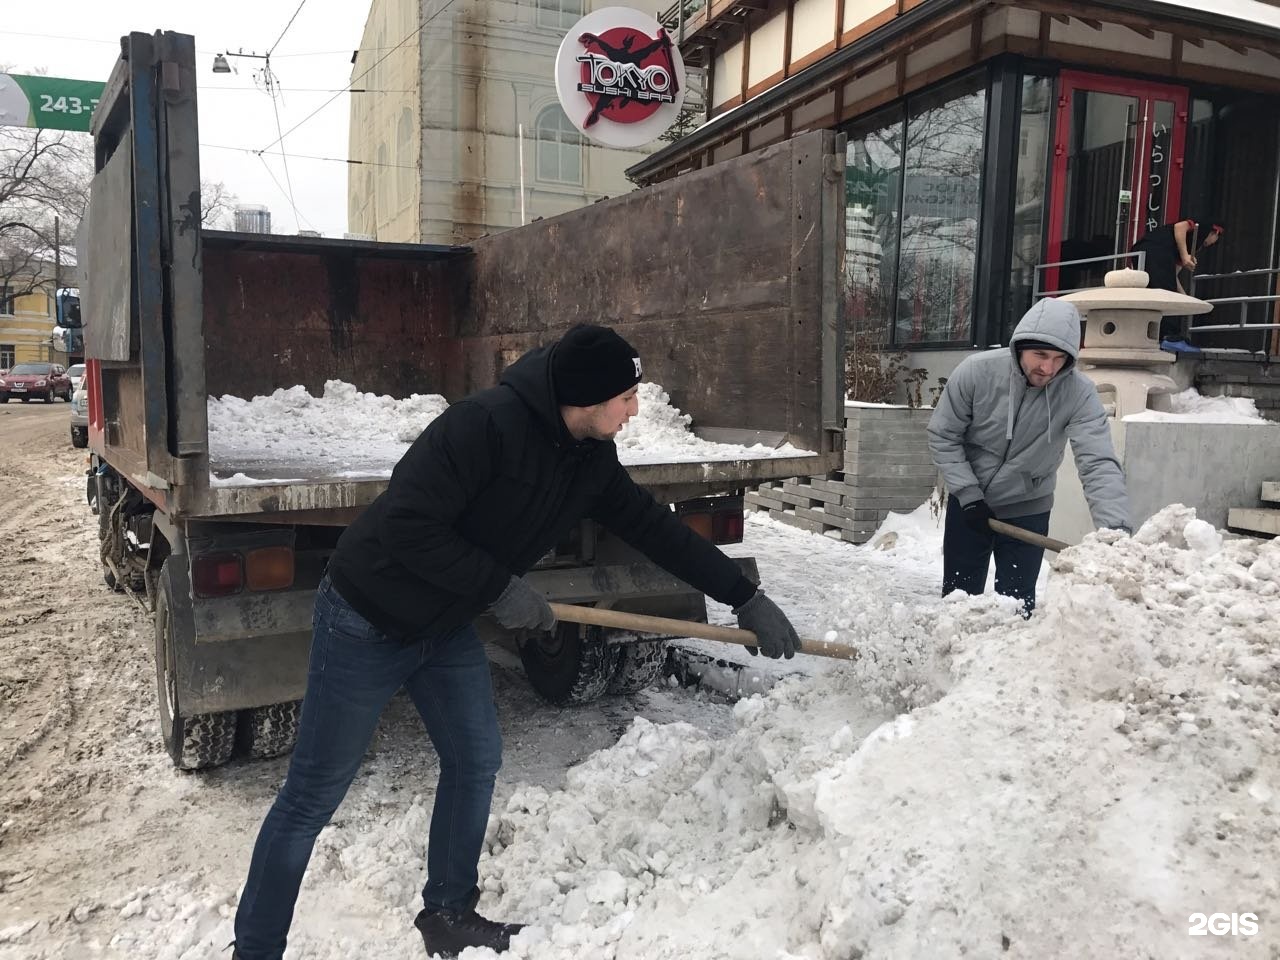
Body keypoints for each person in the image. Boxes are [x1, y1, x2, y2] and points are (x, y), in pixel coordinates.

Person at [231, 323, 801, 960]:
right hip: (369, 617)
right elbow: (407, 525)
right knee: (313, 794)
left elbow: (652, 529)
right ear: (585, 399)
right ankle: (255, 950)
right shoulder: (483, 426)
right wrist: (500, 588)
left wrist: (741, 596)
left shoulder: (590, 458)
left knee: (475, 760)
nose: (637, 409)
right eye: (628, 397)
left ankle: (448, 911)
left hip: (444, 627)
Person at [926, 298, 1132, 617]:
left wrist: (1115, 532)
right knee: (959, 603)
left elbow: (1098, 463)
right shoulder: (977, 373)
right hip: (970, 508)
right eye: (1040, 355)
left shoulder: (1079, 394)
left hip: (1028, 509)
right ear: (1020, 347)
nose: (1048, 368)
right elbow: (943, 434)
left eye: (1059, 358)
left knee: (1017, 609)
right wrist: (968, 494)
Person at [1131, 218, 1224, 338]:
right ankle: (1168, 336)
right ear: (1216, 233)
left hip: (1146, 253)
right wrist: (1185, 255)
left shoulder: (1190, 247)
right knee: (1164, 294)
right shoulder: (1203, 226)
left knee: (1156, 290)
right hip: (1155, 249)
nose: (1211, 244)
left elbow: (1172, 276)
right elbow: (1179, 227)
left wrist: (1183, 296)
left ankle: (1153, 334)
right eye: (1215, 241)